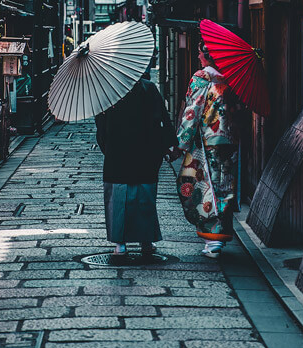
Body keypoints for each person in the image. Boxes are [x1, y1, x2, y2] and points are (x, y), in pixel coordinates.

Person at [95, 71, 177, 256]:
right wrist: (167, 145)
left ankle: (120, 245)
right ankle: (146, 242)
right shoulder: (148, 88)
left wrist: (107, 149)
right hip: (146, 153)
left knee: (118, 198)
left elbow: (101, 126)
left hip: (117, 154)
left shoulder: (109, 91)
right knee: (145, 197)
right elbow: (163, 119)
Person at [173, 41, 240, 258]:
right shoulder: (228, 78)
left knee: (200, 185)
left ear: (207, 56)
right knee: (224, 188)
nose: (198, 56)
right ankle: (217, 238)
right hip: (228, 141)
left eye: (200, 53)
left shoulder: (202, 77)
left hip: (206, 140)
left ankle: (212, 240)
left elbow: (193, 110)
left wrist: (182, 141)